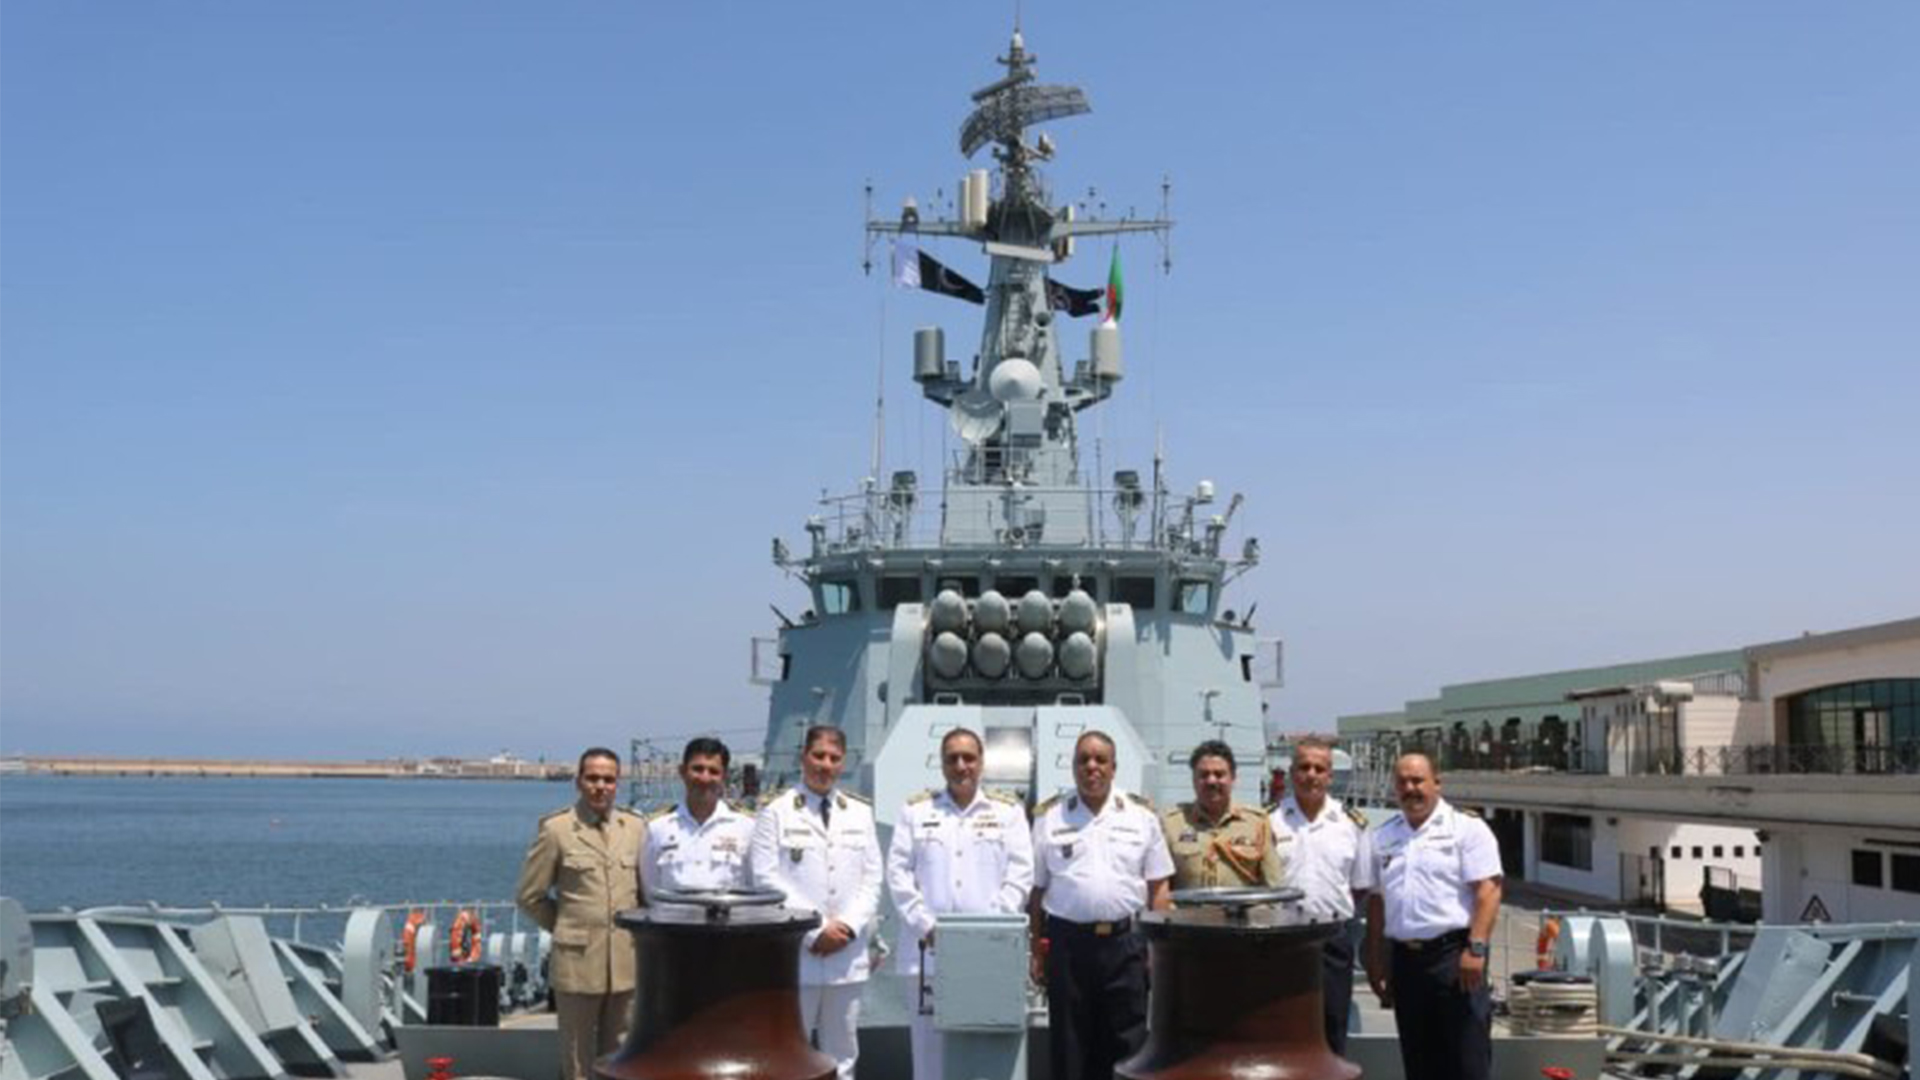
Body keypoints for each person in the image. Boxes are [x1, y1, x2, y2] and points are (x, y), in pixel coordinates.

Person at [886, 727, 1034, 1080]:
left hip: (990, 953)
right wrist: (925, 925)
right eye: (952, 758)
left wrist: (987, 930)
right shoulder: (916, 811)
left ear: (982, 762)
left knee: (984, 1053)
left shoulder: (1008, 812)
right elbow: (898, 874)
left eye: (969, 757)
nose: (961, 765)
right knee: (929, 1058)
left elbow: (1021, 874)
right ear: (942, 764)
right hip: (928, 954)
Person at [1030, 731, 1174, 1080]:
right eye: (1083, 760)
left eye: (1100, 760)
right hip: (1068, 947)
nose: (1091, 767)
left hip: (1126, 945)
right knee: (1070, 1046)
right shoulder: (1051, 817)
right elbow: (1036, 892)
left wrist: (1156, 950)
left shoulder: (1141, 816)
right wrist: (1037, 950)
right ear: (1073, 767)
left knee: (1128, 1044)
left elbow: (1158, 886)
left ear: (1114, 768)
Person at [750, 726, 882, 1080]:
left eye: (834, 758)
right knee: (790, 1054)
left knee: (843, 1055)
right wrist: (816, 930)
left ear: (843, 763)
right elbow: (764, 879)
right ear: (803, 757)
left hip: (846, 955)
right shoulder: (775, 812)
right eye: (818, 755)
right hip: (797, 955)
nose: (825, 764)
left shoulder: (859, 813)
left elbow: (872, 879)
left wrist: (848, 928)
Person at [1364, 752, 1503, 1080]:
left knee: (1467, 1061)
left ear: (1436, 783)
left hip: (1454, 959)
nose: (1410, 788)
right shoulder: (1383, 837)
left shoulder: (1466, 828)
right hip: (1406, 963)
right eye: (1402, 782)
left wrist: (1476, 948)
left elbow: (1489, 890)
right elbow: (1377, 902)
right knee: (1419, 1061)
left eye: (1418, 780)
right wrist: (1375, 957)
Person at [515, 747, 646, 1080]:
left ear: (617, 784)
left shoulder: (635, 828)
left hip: (624, 963)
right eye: (593, 778)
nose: (600, 786)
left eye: (608, 779)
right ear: (578, 782)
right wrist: (566, 929)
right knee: (577, 1060)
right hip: (577, 964)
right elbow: (530, 896)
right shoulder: (557, 830)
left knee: (621, 1058)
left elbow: (644, 896)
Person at [1269, 736, 1371, 1054]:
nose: (1311, 775)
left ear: (1329, 776)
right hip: (1281, 941)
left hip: (1332, 940)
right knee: (1282, 1028)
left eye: (1319, 768)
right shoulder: (1269, 821)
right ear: (1291, 773)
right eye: (1304, 767)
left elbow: (1360, 885)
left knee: (1332, 1025)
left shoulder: (1350, 824)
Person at [639, 736, 755, 900]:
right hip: (673, 916)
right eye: (697, 769)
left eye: (713, 771)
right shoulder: (658, 829)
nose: (704, 778)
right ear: (682, 772)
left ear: (724, 777)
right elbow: (650, 892)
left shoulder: (746, 828)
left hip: (728, 916)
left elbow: (754, 885)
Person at [1161, 739, 1283, 890]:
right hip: (1188, 906)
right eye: (1204, 775)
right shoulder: (1171, 824)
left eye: (1219, 774)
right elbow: (1159, 888)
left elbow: (1273, 884)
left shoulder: (1257, 823)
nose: (1211, 781)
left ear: (1233, 778)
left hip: (1242, 906)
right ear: (1193, 779)